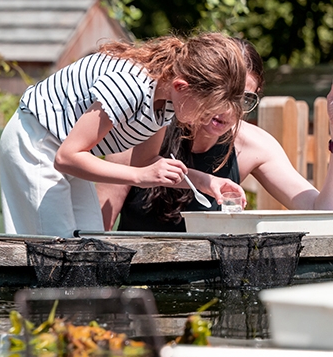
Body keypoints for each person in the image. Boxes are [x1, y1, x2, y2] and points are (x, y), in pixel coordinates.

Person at [0, 32, 247, 237]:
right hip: (36, 142)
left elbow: (145, 162)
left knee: (89, 238)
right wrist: (140, 176)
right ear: (181, 87)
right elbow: (67, 157)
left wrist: (207, 183)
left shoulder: (168, 102)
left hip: (68, 149)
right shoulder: (130, 86)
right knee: (58, 246)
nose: (204, 120)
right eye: (205, 111)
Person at [101, 39, 333, 231]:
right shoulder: (144, 129)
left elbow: (321, 212)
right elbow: (100, 226)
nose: (228, 109)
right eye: (222, 93)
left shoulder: (254, 145)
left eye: (243, 98)